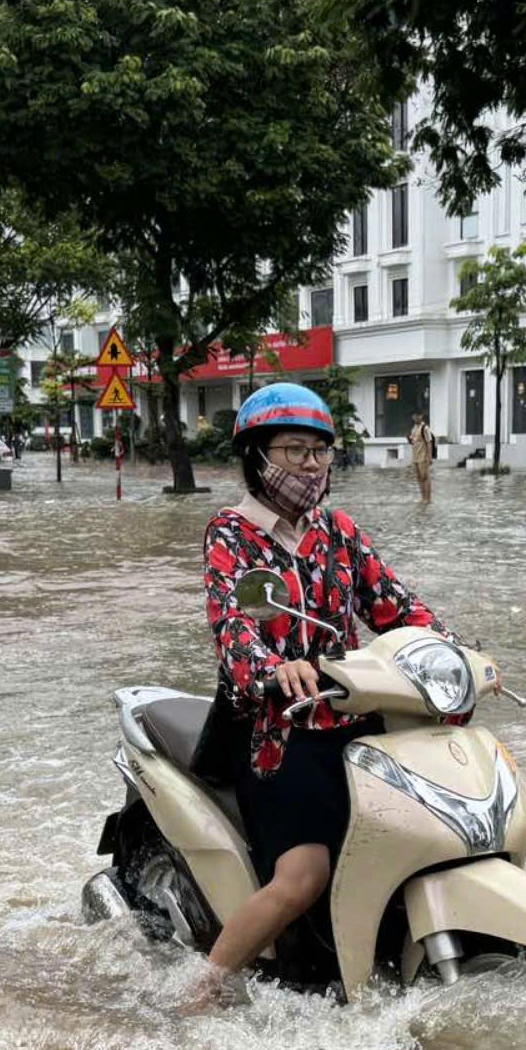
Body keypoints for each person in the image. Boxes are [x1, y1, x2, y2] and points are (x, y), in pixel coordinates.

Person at [192, 382, 439, 1008]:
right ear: (257, 456)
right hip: (276, 734)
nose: (310, 465)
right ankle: (202, 990)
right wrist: (274, 669)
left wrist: (446, 650)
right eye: (295, 450)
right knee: (305, 876)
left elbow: (396, 608)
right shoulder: (232, 534)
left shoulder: (340, 532)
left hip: (356, 722)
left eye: (320, 452)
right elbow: (233, 627)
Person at [409, 412, 437, 503]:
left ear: (421, 416)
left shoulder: (425, 428)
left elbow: (429, 443)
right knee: (419, 477)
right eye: (414, 416)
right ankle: (423, 498)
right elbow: (413, 441)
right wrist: (410, 440)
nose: (415, 417)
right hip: (415, 456)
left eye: (417, 416)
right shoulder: (414, 428)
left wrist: (429, 457)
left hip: (423, 456)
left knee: (425, 476)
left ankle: (428, 499)